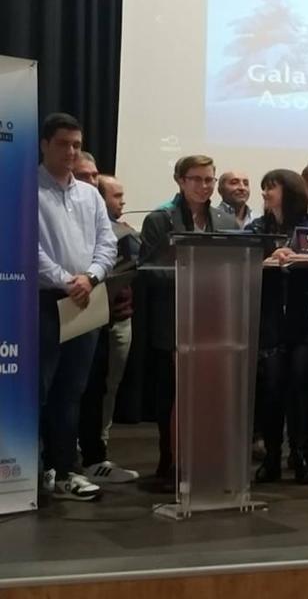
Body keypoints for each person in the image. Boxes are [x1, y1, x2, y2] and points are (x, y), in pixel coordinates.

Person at [139, 154, 238, 482]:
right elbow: (150, 272)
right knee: (172, 395)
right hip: (174, 321)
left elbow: (235, 269)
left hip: (214, 322)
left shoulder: (224, 220)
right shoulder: (160, 219)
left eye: (209, 179)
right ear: (180, 181)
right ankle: (171, 461)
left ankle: (205, 459)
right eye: (196, 179)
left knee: (209, 394)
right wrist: (195, 274)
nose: (203, 185)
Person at [36, 113, 117, 501]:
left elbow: (108, 242)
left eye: (77, 145)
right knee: (38, 389)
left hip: (85, 300)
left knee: (72, 391)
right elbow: (24, 246)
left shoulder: (89, 195)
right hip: (43, 303)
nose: (71, 152)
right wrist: (65, 280)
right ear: (44, 145)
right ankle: (35, 473)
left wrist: (92, 276)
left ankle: (66, 469)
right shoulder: (24, 188)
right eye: (64, 144)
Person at [245, 169, 308, 484]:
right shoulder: (257, 228)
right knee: (272, 390)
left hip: (306, 320)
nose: (265, 193)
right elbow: (242, 267)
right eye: (264, 187)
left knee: (301, 387)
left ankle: (301, 453)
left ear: (290, 191)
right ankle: (271, 457)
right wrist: (269, 259)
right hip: (269, 321)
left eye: (272, 187)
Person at [77, 174, 140, 485]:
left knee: (104, 390)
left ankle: (95, 453)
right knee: (73, 390)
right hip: (78, 316)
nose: (121, 201)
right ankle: (64, 459)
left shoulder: (124, 233)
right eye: (116, 195)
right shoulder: (77, 226)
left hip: (116, 318)